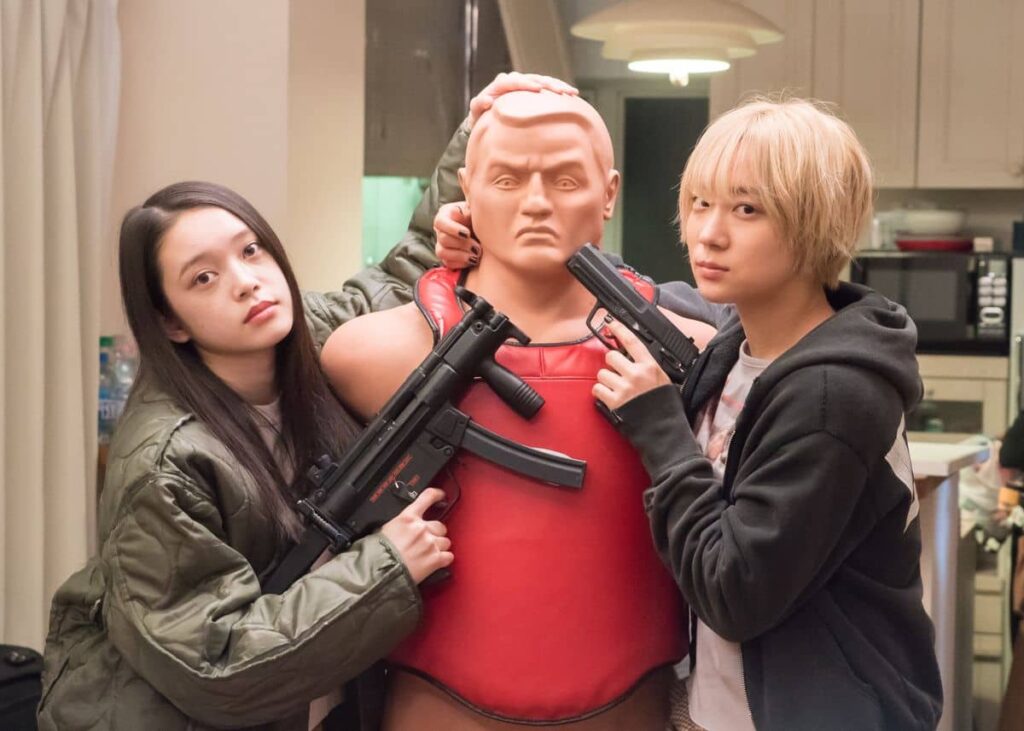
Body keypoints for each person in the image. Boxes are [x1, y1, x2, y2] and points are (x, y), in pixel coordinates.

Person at [37, 73, 575, 731]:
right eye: (203, 277)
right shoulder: (164, 462)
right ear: (170, 321)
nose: (246, 282)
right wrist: (387, 566)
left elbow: (401, 273)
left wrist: (479, 125)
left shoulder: (308, 335)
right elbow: (217, 664)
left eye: (251, 250)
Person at [321, 90, 714, 730]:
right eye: (506, 179)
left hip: (630, 706)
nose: (536, 203)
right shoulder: (370, 355)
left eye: (565, 180)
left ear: (609, 193)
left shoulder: (692, 352)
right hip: (437, 706)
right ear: (466, 191)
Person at [586, 98, 942, 730]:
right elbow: (636, 287)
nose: (708, 233)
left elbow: (735, 593)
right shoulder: (738, 340)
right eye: (701, 203)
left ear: (815, 222)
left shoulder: (832, 395)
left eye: (747, 209)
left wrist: (661, 429)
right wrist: (464, 229)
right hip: (715, 709)